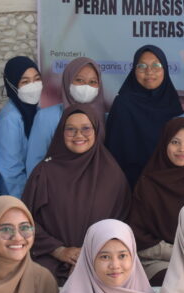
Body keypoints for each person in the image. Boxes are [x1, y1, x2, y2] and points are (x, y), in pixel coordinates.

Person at [22, 106, 130, 283]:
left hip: (101, 264)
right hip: (49, 262)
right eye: (70, 129)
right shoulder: (44, 173)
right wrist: (59, 250)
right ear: (61, 132)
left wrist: (90, 255)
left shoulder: (112, 175)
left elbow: (122, 222)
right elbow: (25, 221)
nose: (78, 135)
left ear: (96, 131)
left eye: (86, 128)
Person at [127, 118, 184, 285]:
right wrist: (181, 253)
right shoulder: (148, 184)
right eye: (175, 142)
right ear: (165, 144)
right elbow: (139, 237)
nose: (182, 149)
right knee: (179, 281)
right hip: (159, 261)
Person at [106, 45, 184, 186]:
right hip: (127, 184)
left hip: (166, 183)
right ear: (134, 70)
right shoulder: (123, 104)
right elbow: (113, 152)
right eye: (142, 66)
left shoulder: (173, 104)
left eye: (156, 66)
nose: (149, 72)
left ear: (165, 69)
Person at [26, 56, 107, 176]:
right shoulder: (47, 117)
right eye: (79, 80)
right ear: (68, 80)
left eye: (93, 82)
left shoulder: (106, 118)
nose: (86, 86)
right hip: (56, 184)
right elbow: (35, 163)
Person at [0, 56, 42, 197]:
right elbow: (10, 170)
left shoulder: (35, 111)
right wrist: (26, 200)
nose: (33, 86)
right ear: (12, 84)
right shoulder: (10, 118)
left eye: (37, 79)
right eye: (25, 82)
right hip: (21, 196)